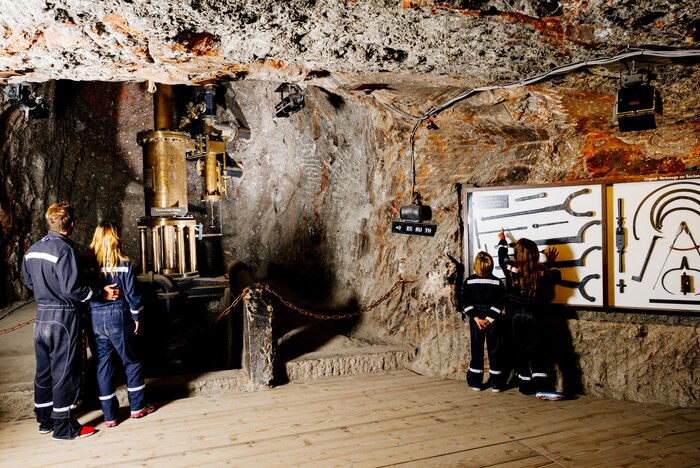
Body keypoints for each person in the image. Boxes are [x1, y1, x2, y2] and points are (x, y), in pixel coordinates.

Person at [23, 202, 120, 440]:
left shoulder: (33, 249)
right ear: (72, 224)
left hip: (42, 316)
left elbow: (29, 283)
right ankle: (64, 426)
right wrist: (100, 293)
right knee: (66, 371)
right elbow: (74, 289)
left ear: (50, 222)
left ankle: (45, 420)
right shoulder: (65, 250)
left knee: (44, 371)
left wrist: (48, 293)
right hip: (64, 316)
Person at [86, 222, 155, 427]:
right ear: (116, 238)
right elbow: (133, 296)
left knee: (103, 365)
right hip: (118, 316)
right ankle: (137, 407)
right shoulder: (124, 264)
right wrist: (136, 317)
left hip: (95, 317)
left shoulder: (88, 265)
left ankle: (110, 416)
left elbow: (83, 291)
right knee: (131, 361)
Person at [497, 228, 563, 401]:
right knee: (536, 350)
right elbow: (556, 276)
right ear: (535, 254)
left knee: (518, 350)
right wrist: (552, 262)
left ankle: (525, 386)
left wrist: (503, 240)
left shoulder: (510, 268)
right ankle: (542, 388)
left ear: (518, 254)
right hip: (534, 315)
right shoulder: (540, 272)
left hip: (513, 316)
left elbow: (502, 256)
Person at [462, 251, 506, 392]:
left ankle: (475, 382)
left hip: (476, 320)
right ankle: (496, 383)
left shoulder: (468, 282)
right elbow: (500, 302)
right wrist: (488, 319)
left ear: (475, 265)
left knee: (477, 349)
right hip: (492, 320)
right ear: (490, 265)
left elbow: (466, 302)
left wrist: (477, 318)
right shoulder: (498, 282)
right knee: (495, 350)